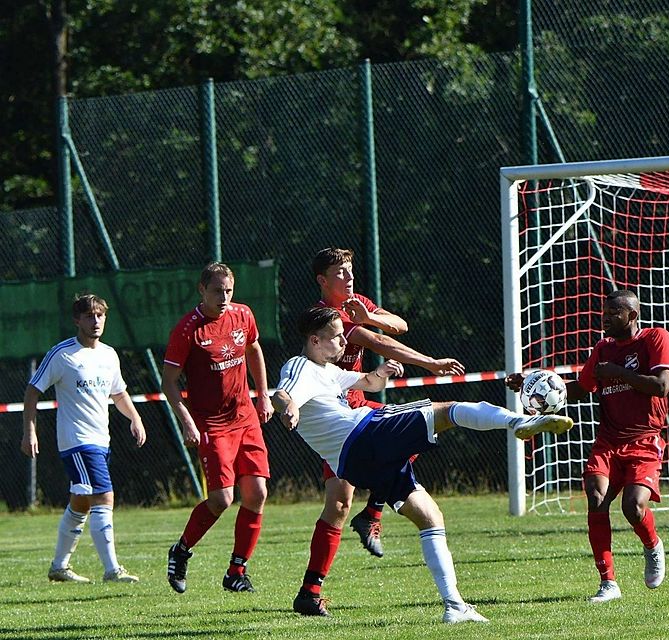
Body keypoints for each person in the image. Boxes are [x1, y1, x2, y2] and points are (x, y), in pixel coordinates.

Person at [272, 305, 573, 620]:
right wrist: (288, 408)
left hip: (357, 464)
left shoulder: (329, 372)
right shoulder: (300, 366)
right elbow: (282, 393)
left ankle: (455, 606)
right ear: (314, 340)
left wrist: (383, 372)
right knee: (448, 410)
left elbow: (369, 384)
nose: (344, 344)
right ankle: (516, 423)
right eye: (336, 338)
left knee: (430, 516)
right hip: (365, 433)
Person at [507, 289, 669, 603]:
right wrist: (535, 385)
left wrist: (618, 373)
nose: (605, 319)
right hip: (608, 442)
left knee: (633, 507)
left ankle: (652, 546)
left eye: (613, 314)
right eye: (604, 313)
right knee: (596, 499)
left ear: (631, 316)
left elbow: (661, 386)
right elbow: (581, 388)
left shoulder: (655, 338)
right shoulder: (603, 349)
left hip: (645, 439)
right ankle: (608, 584)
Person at [310, 247, 465, 559]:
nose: (349, 277)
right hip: (335, 418)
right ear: (322, 280)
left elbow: (400, 324)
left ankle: (372, 514)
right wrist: (430, 363)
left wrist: (370, 316)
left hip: (360, 408)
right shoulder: (326, 317)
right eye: (340, 272)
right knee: (338, 504)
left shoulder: (357, 305)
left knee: (417, 432)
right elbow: (379, 342)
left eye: (351, 269)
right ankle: (311, 589)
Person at [162, 262, 274, 593]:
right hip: (211, 422)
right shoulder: (187, 330)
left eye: (228, 291)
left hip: (244, 416)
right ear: (202, 290)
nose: (223, 297)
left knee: (257, 492)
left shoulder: (242, 315)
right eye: (216, 291)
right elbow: (169, 381)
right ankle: (181, 550)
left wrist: (262, 397)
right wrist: (186, 420)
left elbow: (254, 349)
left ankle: (236, 571)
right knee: (222, 499)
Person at [21, 293, 146, 584]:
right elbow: (32, 390)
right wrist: (30, 430)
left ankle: (59, 567)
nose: (96, 321)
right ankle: (113, 570)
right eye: (89, 316)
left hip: (101, 439)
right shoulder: (62, 354)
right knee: (104, 495)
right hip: (77, 441)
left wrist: (135, 418)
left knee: (81, 502)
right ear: (77, 320)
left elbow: (118, 393)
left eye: (100, 315)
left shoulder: (109, 354)